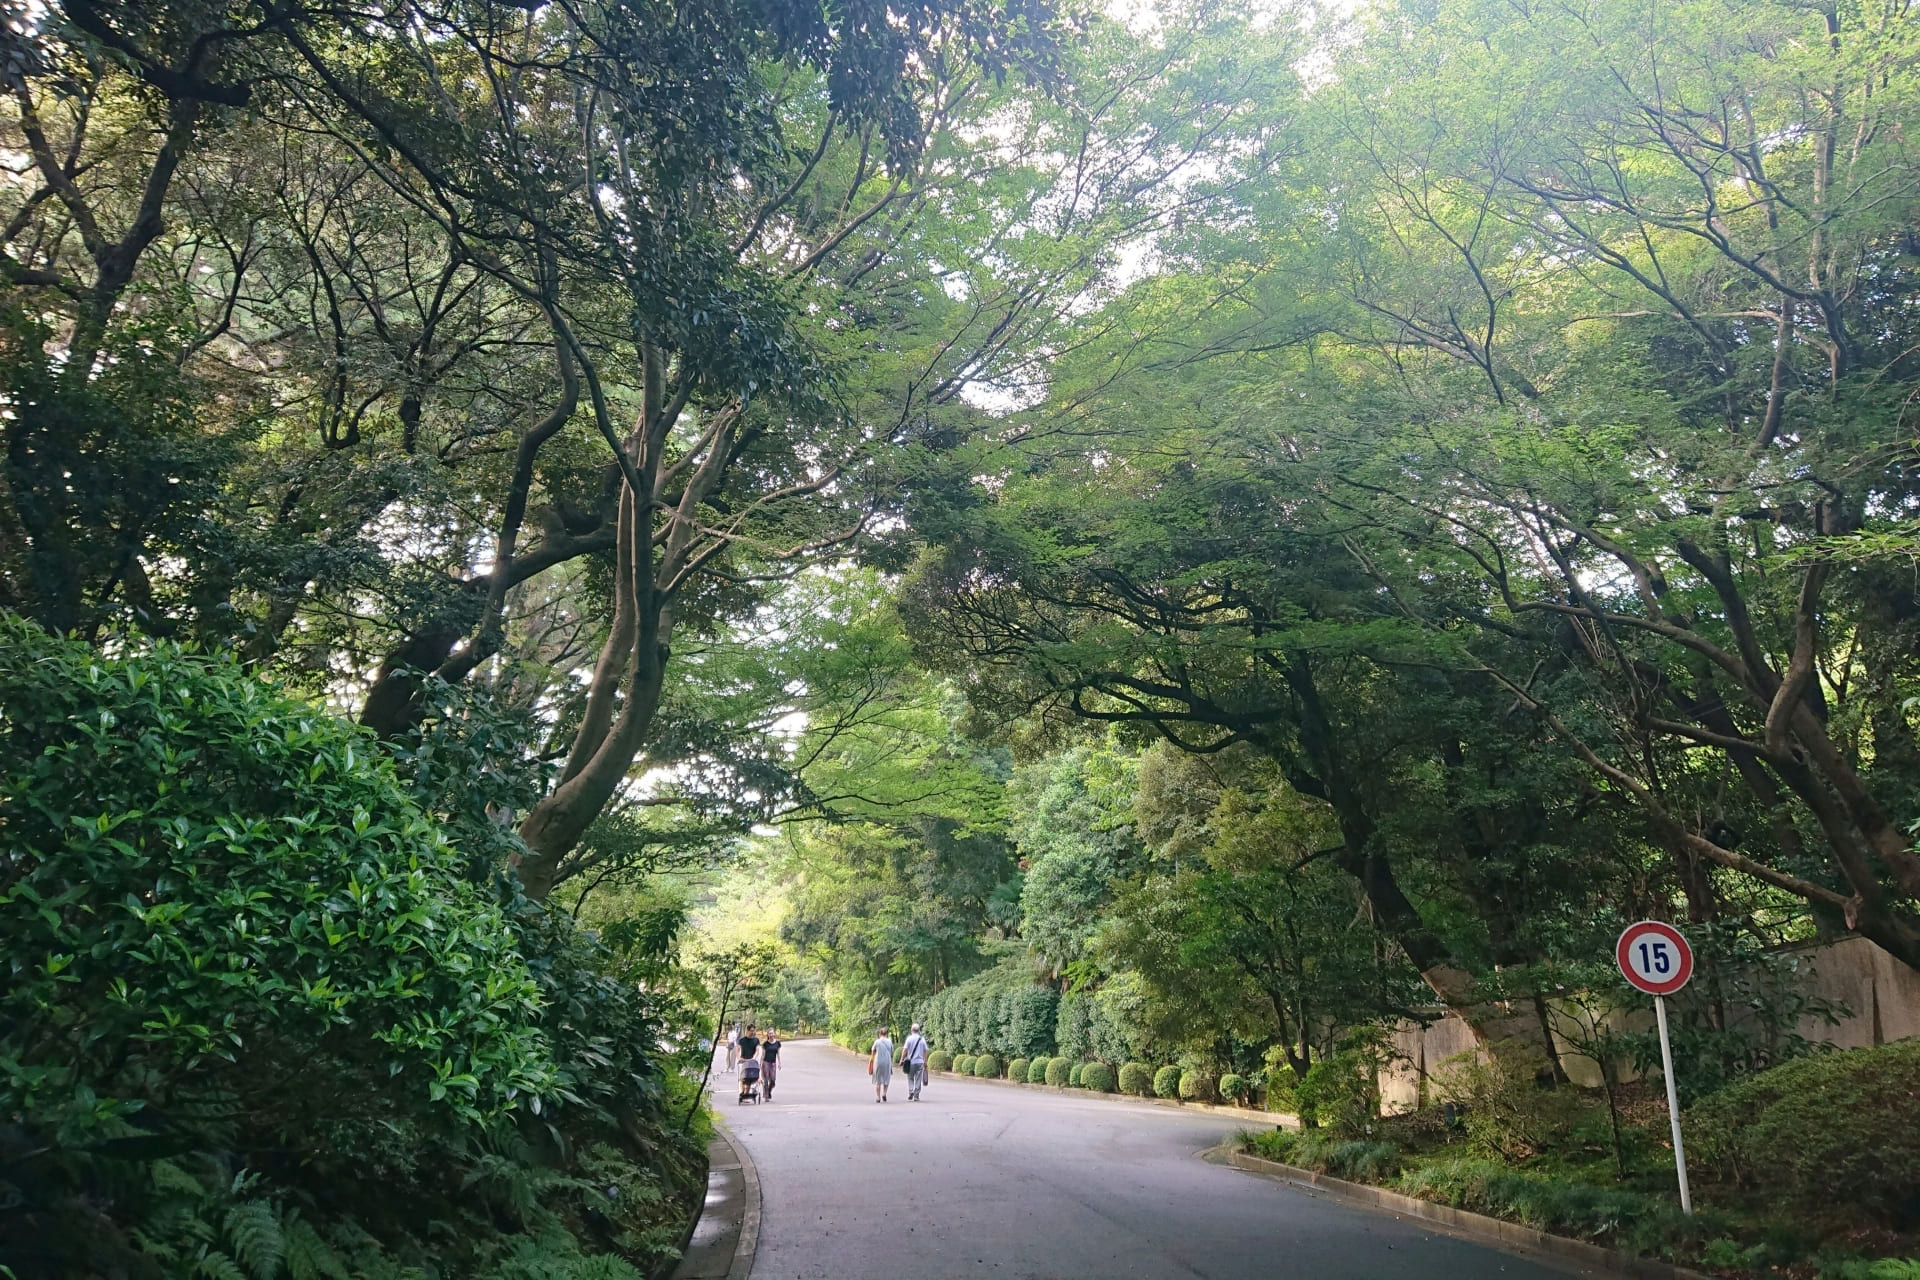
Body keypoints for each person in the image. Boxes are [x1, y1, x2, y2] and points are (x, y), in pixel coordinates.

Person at [899, 1022, 930, 1101]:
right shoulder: (922, 1039)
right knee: (918, 1078)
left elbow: (905, 1050)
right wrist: (925, 1061)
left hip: (911, 1062)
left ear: (911, 1030)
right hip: (920, 1062)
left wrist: (901, 1059)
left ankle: (911, 1090)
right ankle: (916, 1095)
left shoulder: (909, 1039)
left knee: (910, 1077)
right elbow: (925, 1051)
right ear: (919, 1030)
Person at [868, 1026, 894, 1103]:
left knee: (877, 1080)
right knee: (886, 1078)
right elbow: (892, 1052)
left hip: (878, 1062)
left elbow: (872, 1052)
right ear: (887, 1034)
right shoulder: (889, 1041)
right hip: (887, 1062)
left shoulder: (877, 1042)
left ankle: (878, 1097)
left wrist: (871, 1061)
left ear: (880, 1033)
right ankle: (884, 1093)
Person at [760, 1029, 783, 1101]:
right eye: (769, 1033)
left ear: (774, 1034)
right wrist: (760, 1063)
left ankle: (769, 1091)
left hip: (773, 1063)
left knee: (773, 1080)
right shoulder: (765, 1044)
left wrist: (779, 1063)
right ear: (768, 1035)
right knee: (766, 1079)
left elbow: (778, 1054)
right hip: (766, 1062)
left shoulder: (777, 1043)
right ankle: (766, 1096)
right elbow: (763, 1055)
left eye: (772, 1033)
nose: (771, 1035)